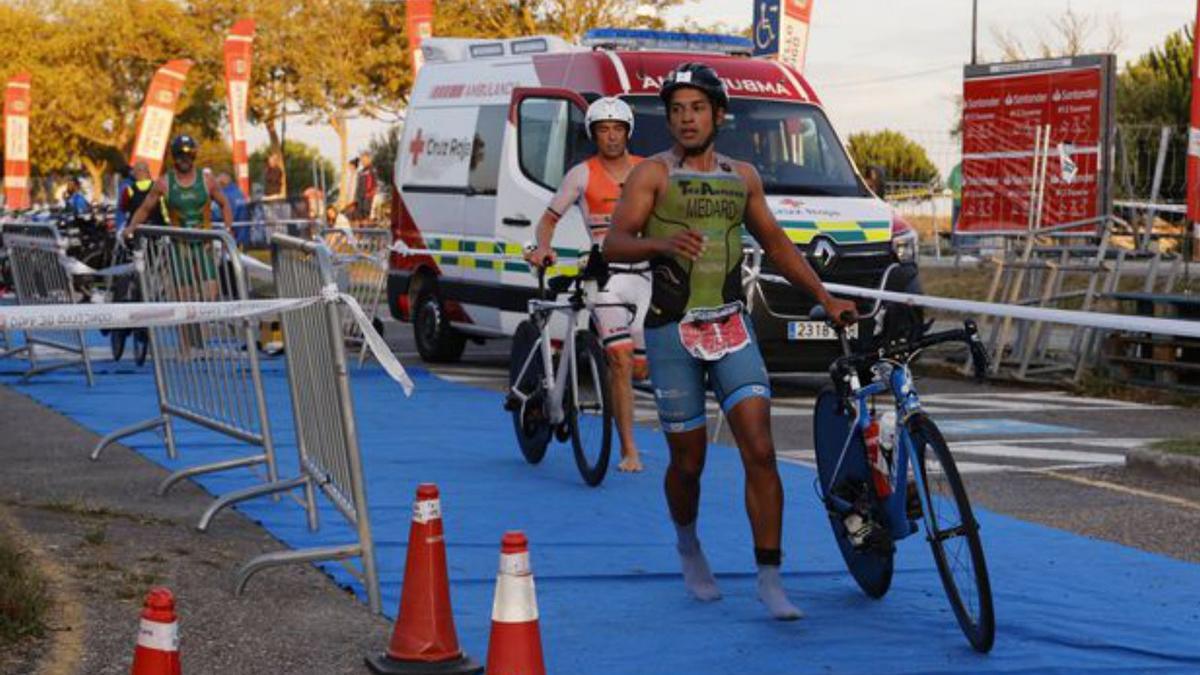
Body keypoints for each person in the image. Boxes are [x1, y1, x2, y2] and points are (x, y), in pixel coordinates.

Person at [603, 63, 858, 621]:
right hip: (673, 330)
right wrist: (662, 242)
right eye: (675, 110)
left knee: (761, 451)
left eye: (696, 108)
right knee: (687, 463)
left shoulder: (742, 176)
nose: (685, 119)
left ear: (718, 115)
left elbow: (777, 242)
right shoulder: (652, 174)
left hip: (731, 325)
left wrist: (825, 295)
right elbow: (616, 244)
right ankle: (689, 544)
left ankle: (770, 576)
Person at [525, 97, 649, 473]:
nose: (611, 137)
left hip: (648, 276)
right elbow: (548, 220)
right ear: (593, 134)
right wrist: (543, 246)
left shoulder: (650, 170)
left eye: (617, 129)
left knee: (640, 368)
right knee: (620, 359)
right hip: (606, 278)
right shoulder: (581, 174)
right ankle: (629, 451)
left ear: (628, 132)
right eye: (603, 130)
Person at [117, 161, 163, 235]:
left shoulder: (128, 190)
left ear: (135, 173)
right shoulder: (158, 188)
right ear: (148, 172)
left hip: (135, 229)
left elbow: (122, 208)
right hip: (157, 229)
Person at [354, 152, 378, 224]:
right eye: (362, 160)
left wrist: (370, 194)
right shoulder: (361, 172)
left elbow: (375, 184)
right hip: (359, 196)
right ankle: (361, 231)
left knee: (366, 213)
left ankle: (367, 230)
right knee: (359, 214)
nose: (362, 161)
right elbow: (358, 185)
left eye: (364, 159)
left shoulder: (373, 170)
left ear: (369, 159)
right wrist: (356, 196)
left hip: (368, 196)